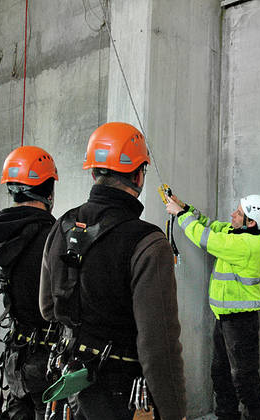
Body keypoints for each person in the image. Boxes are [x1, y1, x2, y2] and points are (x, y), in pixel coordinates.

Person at [39, 122, 187, 420]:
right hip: (124, 395)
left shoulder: (63, 224)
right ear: (138, 175)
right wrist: (175, 411)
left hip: (74, 383)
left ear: (94, 173)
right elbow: (158, 347)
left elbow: (47, 308)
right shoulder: (148, 242)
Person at [166, 193, 260, 420]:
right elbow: (209, 225)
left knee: (243, 380)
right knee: (222, 374)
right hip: (225, 319)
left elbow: (206, 239)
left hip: (241, 322)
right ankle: (226, 416)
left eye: (239, 213)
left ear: (251, 222)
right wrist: (185, 206)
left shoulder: (246, 244)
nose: (232, 214)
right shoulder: (235, 232)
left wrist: (179, 215)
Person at [0, 146, 59, 420]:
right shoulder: (53, 238)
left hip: (16, 355)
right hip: (48, 359)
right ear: (48, 192)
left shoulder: (0, 233)